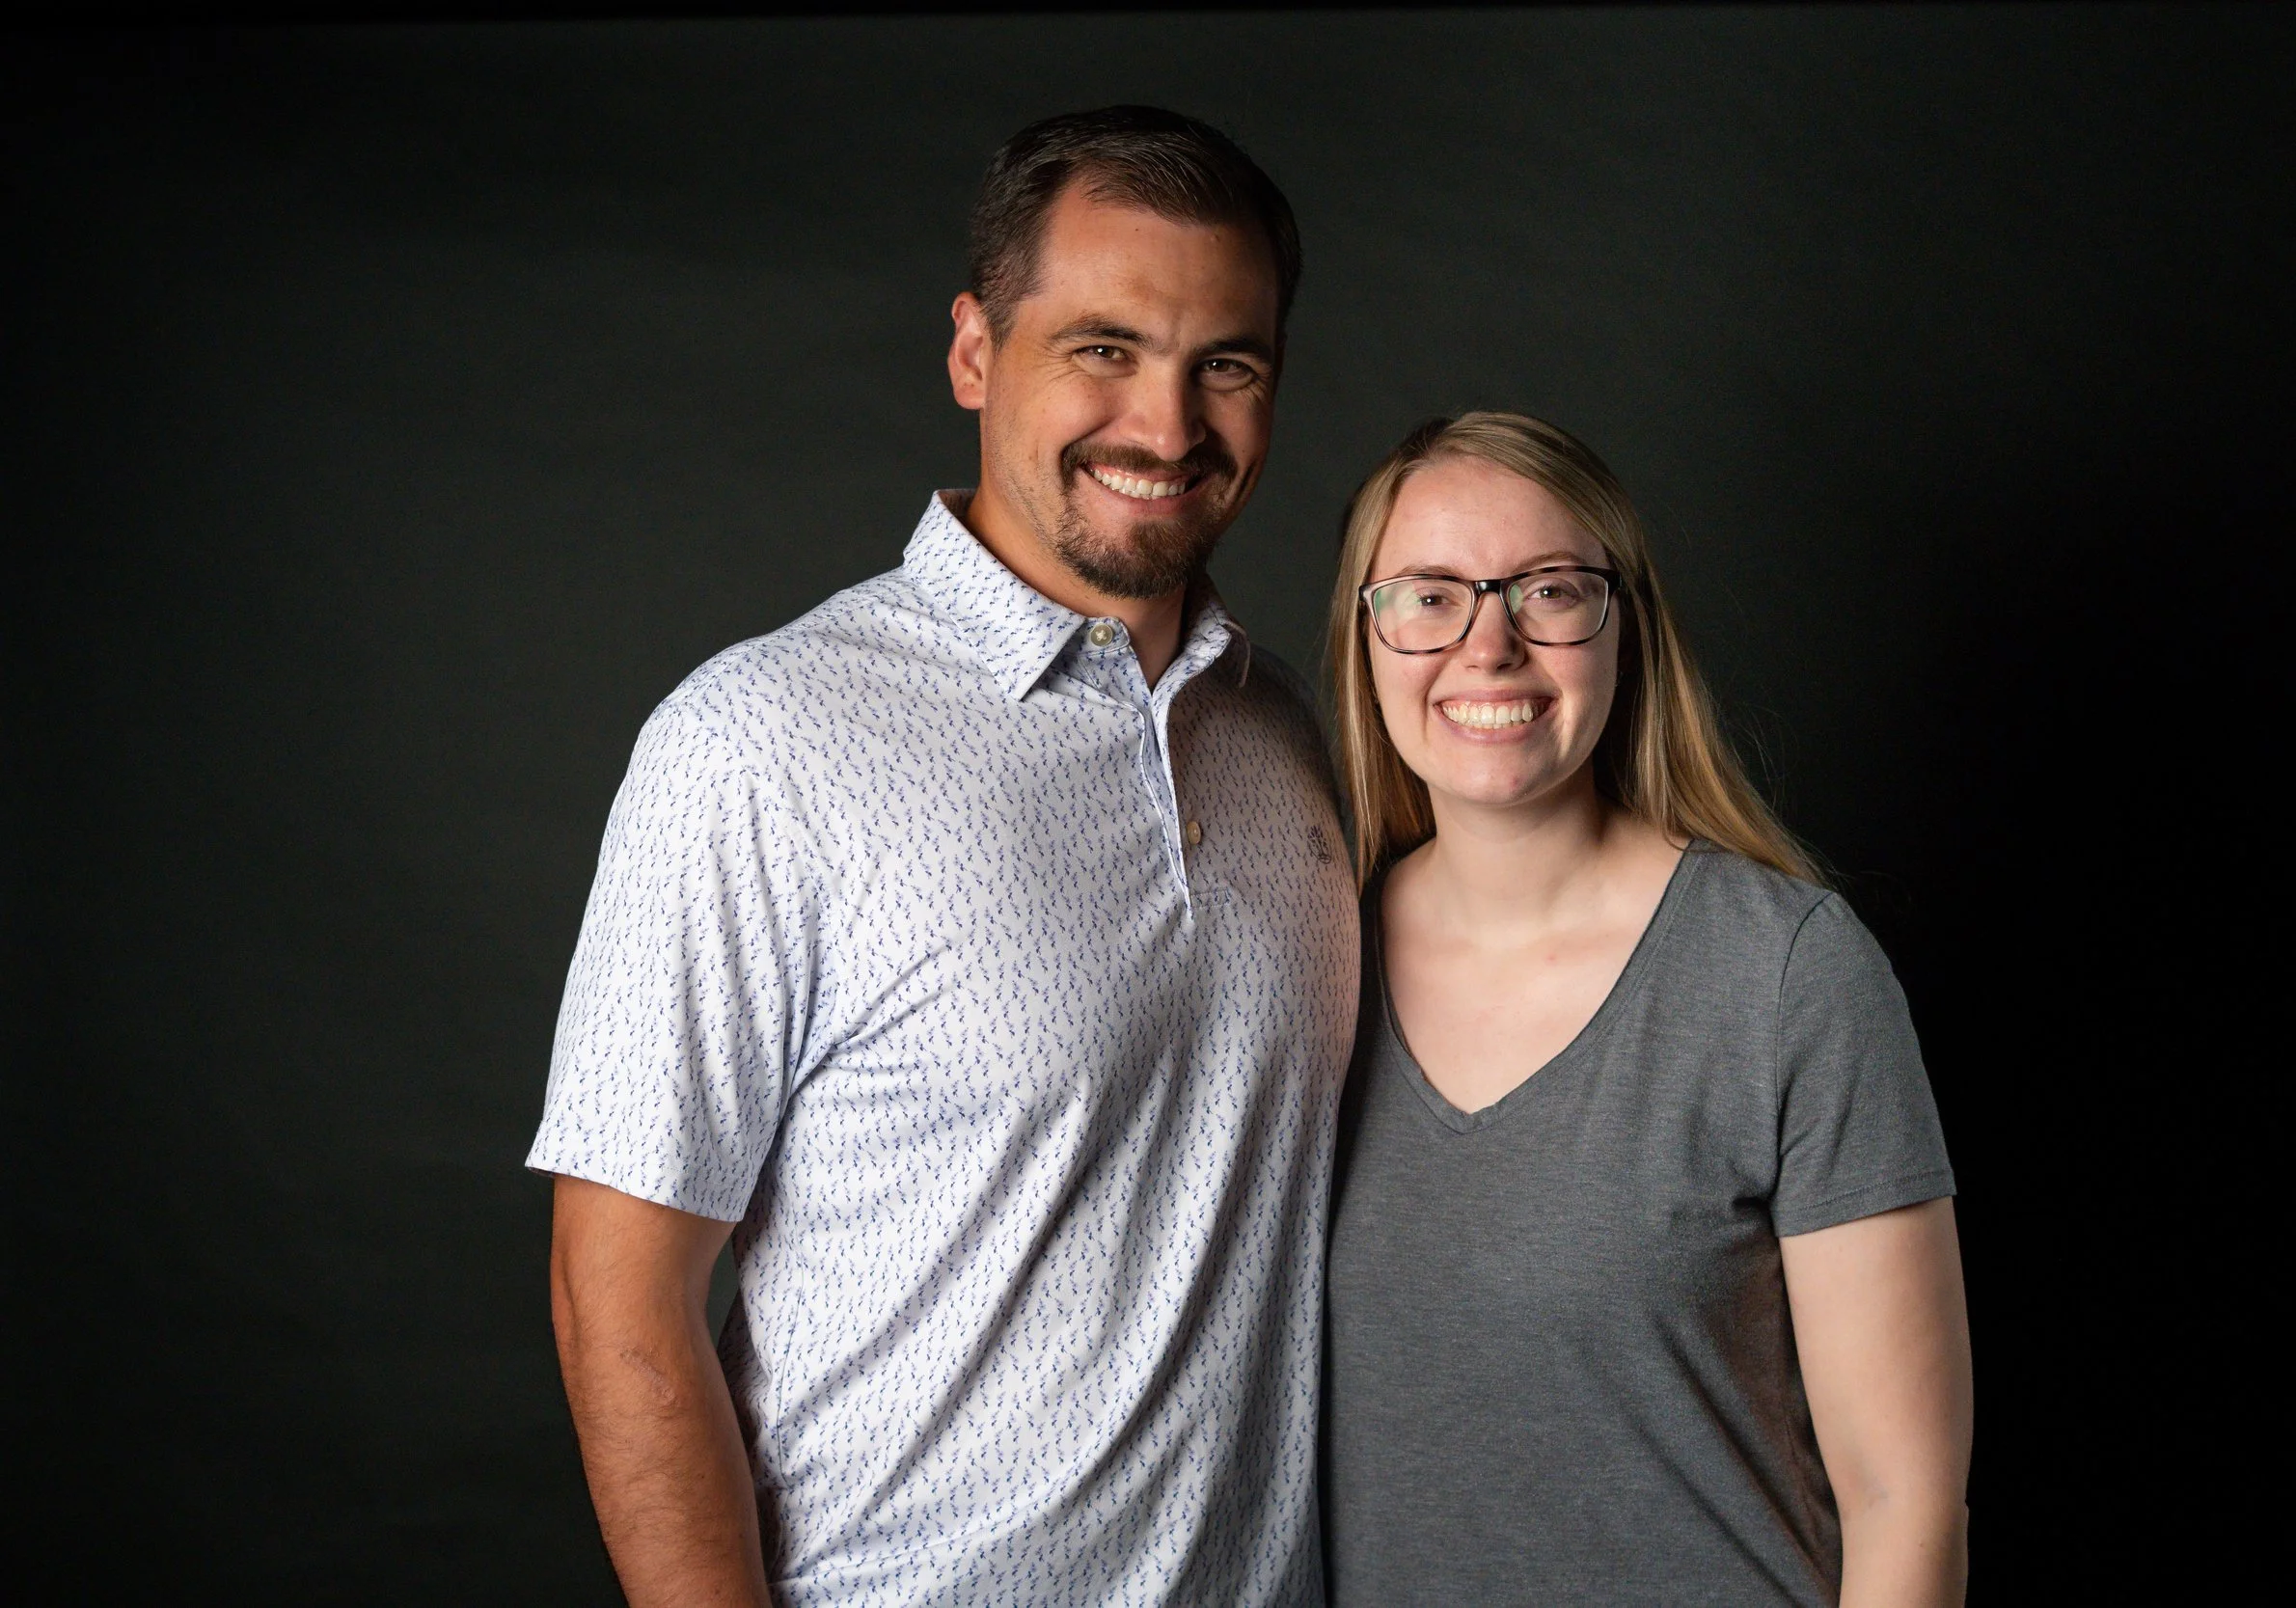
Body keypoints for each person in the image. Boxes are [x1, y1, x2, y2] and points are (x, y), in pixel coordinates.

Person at [529, 107, 1356, 1607]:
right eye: (1102, 347)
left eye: (1223, 364)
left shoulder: (1291, 727)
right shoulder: (761, 739)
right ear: (976, 352)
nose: (1166, 429)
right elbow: (621, 1296)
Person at [1320, 412, 1973, 1606]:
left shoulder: (1787, 977)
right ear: (1366, 635)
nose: (1489, 644)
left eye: (1550, 590)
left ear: (1628, 626)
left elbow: (1904, 1499)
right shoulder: (1305, 968)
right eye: (1428, 595)